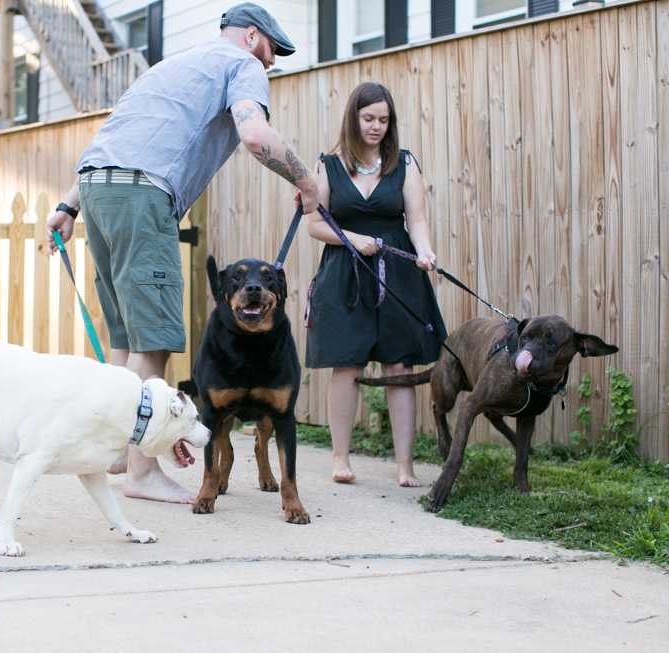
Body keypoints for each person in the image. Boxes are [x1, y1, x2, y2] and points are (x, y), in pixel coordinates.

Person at [46, 3, 320, 504]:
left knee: (125, 339)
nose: (271, 67)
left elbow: (115, 137)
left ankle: (114, 448)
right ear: (254, 38)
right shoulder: (241, 65)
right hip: (142, 194)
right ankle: (141, 472)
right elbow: (255, 134)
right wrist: (307, 181)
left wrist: (68, 205)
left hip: (97, 187)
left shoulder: (172, 67)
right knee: (154, 342)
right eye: (273, 55)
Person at [303, 82, 446, 487]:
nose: (376, 127)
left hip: (397, 272)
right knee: (347, 363)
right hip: (345, 274)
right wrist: (350, 237)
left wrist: (426, 251)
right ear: (353, 118)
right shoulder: (327, 166)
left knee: (398, 364)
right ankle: (341, 459)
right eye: (369, 118)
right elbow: (315, 224)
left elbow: (416, 220)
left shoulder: (404, 163)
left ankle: (405, 467)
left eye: (384, 120)